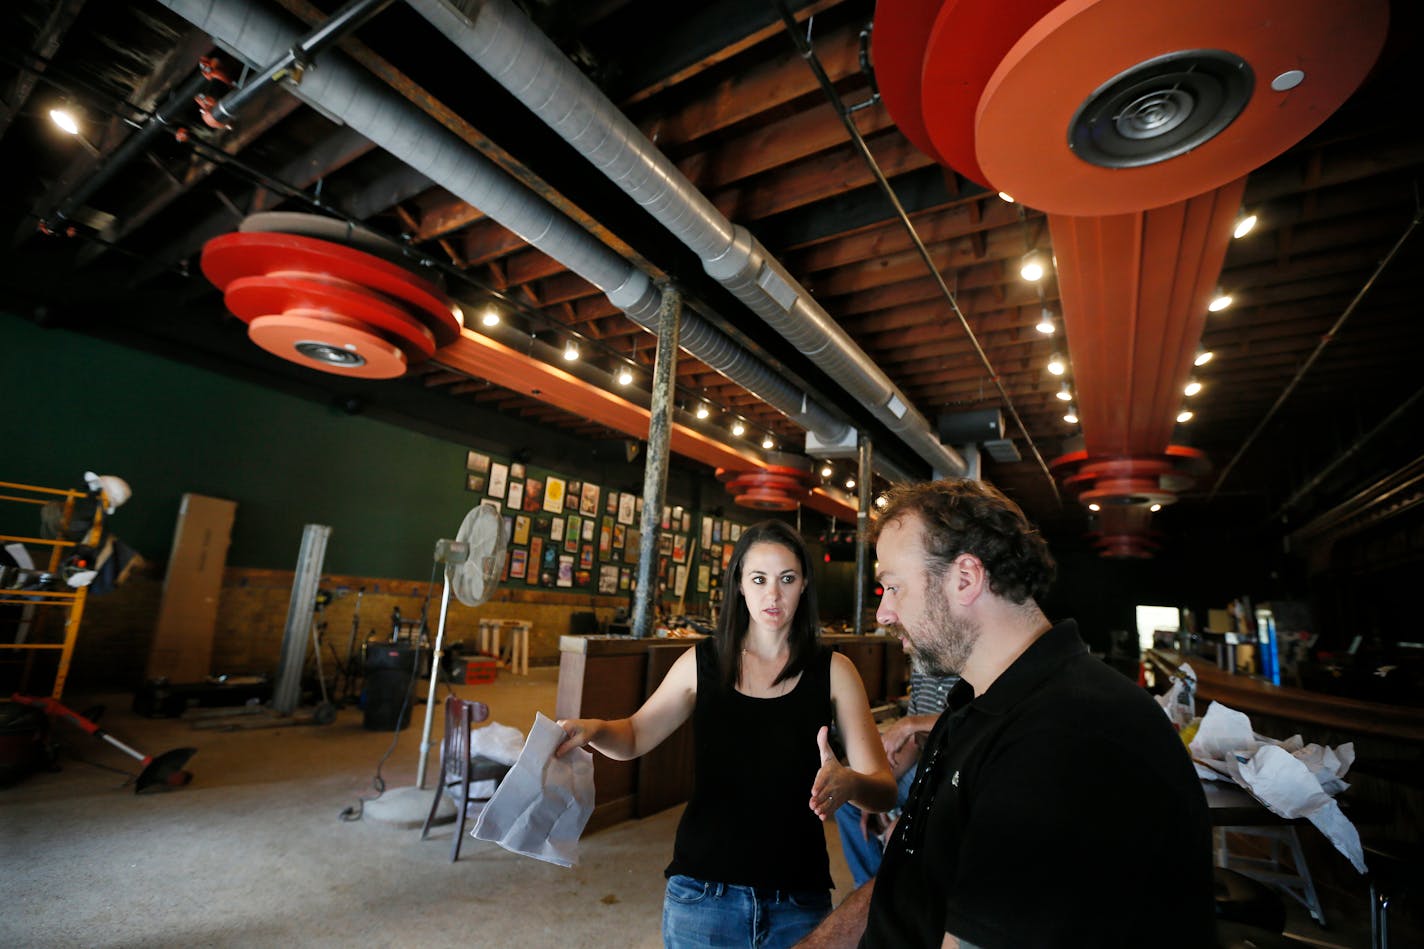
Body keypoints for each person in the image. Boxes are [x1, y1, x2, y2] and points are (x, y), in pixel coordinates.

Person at [799, 479, 1216, 949]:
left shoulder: (1066, 735)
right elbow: (910, 879)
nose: (884, 613)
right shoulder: (970, 708)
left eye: (893, 587)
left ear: (966, 578)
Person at [556, 519, 896, 949]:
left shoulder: (835, 672)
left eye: (786, 579)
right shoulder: (703, 663)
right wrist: (594, 729)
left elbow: (883, 790)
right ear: (739, 584)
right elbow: (636, 735)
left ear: (805, 583)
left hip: (798, 898)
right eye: (759, 579)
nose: (772, 595)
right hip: (702, 895)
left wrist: (850, 783)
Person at [833, 669, 956, 887]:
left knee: (899, 833)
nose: (899, 636)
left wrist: (910, 723)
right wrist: (873, 786)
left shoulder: (961, 664)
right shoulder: (920, 669)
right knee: (849, 799)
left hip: (952, 771)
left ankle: (887, 896)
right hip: (923, 764)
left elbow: (968, 719)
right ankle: (868, 889)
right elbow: (912, 743)